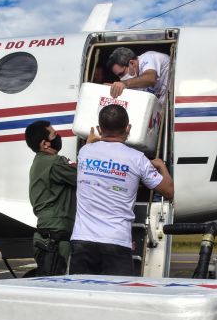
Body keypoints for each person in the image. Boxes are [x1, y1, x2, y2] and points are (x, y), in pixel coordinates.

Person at [69, 104, 174, 276]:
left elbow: (92, 146)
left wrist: (93, 141)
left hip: (82, 241)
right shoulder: (137, 159)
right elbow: (168, 192)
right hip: (116, 242)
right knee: (117, 299)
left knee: (82, 299)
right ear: (128, 128)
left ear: (99, 128)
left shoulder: (85, 152)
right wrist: (161, 165)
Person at [25, 120, 77, 276]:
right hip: (55, 235)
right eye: (54, 135)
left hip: (49, 233)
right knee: (54, 282)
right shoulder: (54, 163)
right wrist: (90, 149)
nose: (58, 137)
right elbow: (84, 176)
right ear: (44, 144)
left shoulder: (40, 162)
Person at [106, 47, 170, 103]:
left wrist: (124, 84)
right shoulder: (134, 80)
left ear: (132, 63)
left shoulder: (148, 57)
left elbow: (150, 78)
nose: (121, 78)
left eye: (122, 73)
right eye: (118, 76)